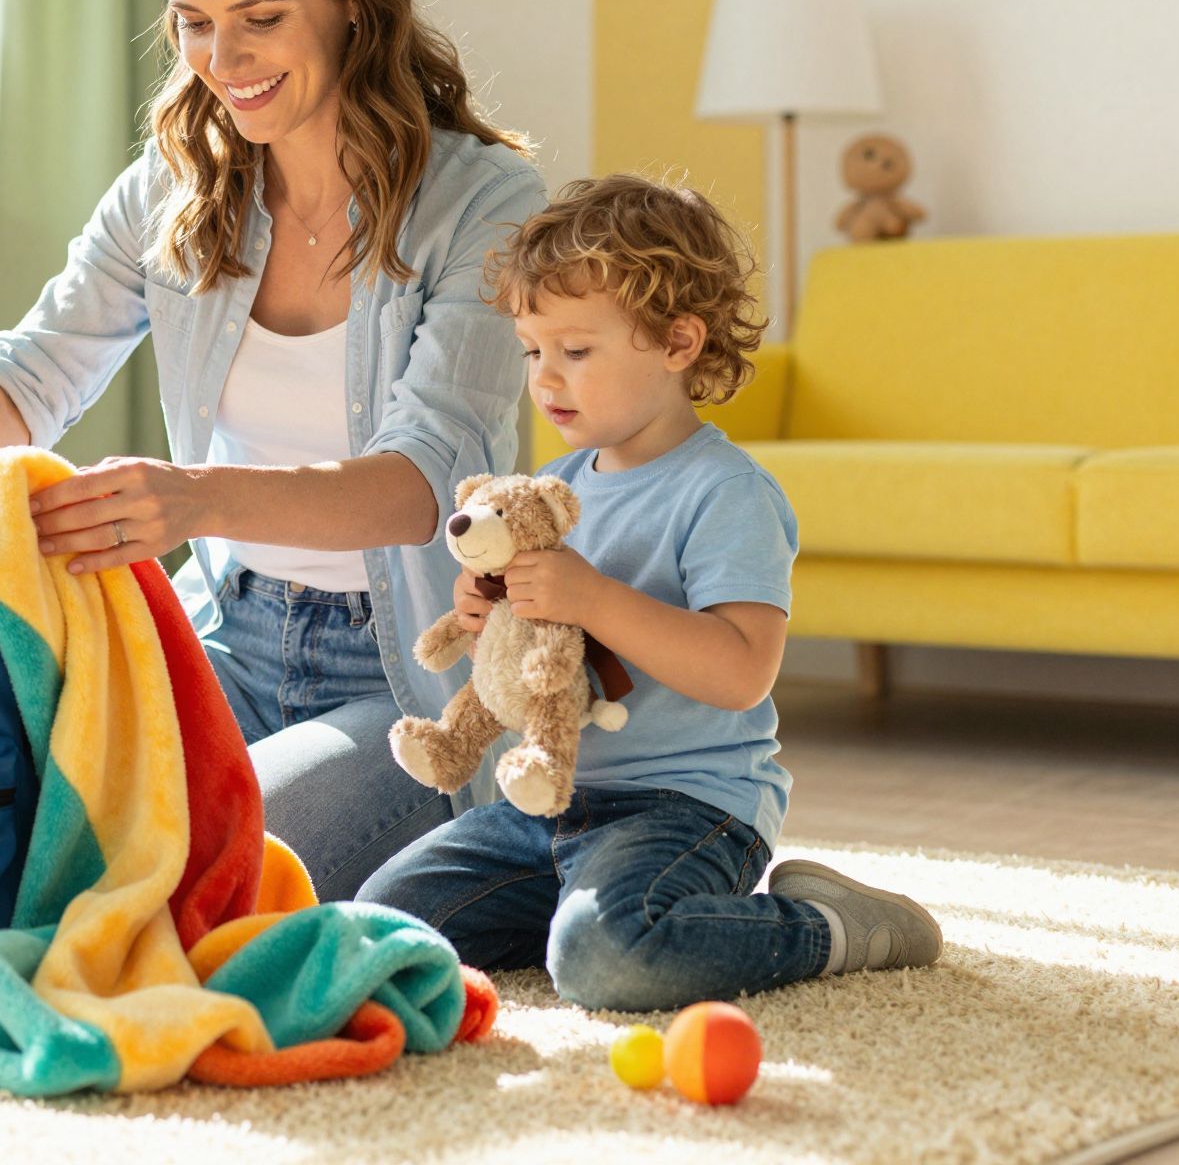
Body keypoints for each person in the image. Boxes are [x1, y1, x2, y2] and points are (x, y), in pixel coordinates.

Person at [0, 0, 548, 900]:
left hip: (411, 675)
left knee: (199, 874)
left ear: (354, 0)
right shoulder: (172, 188)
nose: (223, 60)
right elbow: (38, 364)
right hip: (220, 636)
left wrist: (194, 497)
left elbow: (423, 485)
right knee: (0, 833)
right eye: (194, 23)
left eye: (261, 19)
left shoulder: (482, 202)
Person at [357, 174, 943, 1008]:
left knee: (609, 961)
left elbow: (741, 672)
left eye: (576, 351)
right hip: (548, 803)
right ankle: (581, 912)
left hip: (686, 808)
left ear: (677, 342)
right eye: (532, 351)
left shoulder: (727, 492)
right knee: (381, 924)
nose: (545, 379)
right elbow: (537, 652)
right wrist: (488, 614)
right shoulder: (555, 487)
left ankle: (825, 924)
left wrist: (592, 598)